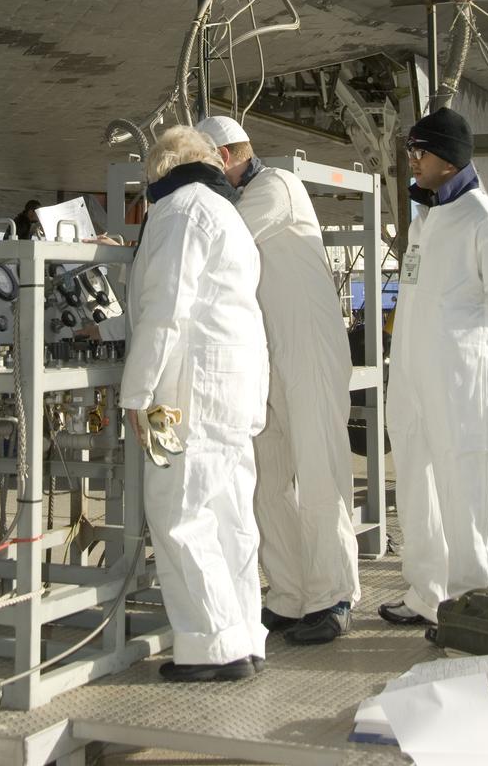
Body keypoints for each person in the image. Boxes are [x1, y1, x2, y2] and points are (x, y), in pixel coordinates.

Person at [198, 116, 360, 646]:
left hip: (309, 347)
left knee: (319, 471)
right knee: (267, 480)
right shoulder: (237, 200)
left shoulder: (275, 187)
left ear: (224, 157)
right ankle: (289, 595)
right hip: (267, 354)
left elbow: (224, 243)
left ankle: (333, 596)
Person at [118, 125, 269, 682]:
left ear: (159, 170)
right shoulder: (225, 212)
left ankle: (211, 646)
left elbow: (165, 311)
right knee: (231, 518)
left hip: (177, 396)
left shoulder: (178, 211)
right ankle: (245, 634)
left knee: (177, 514)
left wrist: (136, 396)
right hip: (230, 393)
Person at [380, 107, 488, 626]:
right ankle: (428, 592)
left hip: (463, 379)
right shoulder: (427, 220)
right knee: (417, 479)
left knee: (469, 478)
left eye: (418, 153)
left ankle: (477, 597)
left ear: (446, 160)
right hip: (413, 375)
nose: (411, 163)